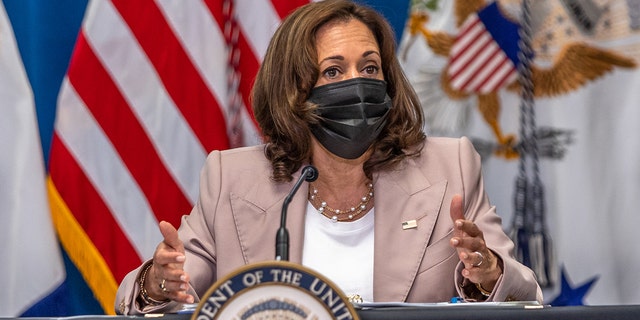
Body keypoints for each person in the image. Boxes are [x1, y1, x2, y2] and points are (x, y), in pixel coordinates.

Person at [115, 0, 542, 314]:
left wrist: (487, 273)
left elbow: (526, 294)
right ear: (292, 89)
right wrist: (158, 282)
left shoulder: (450, 167)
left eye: (370, 68)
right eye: (333, 71)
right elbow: (158, 295)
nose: (356, 84)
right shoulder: (232, 177)